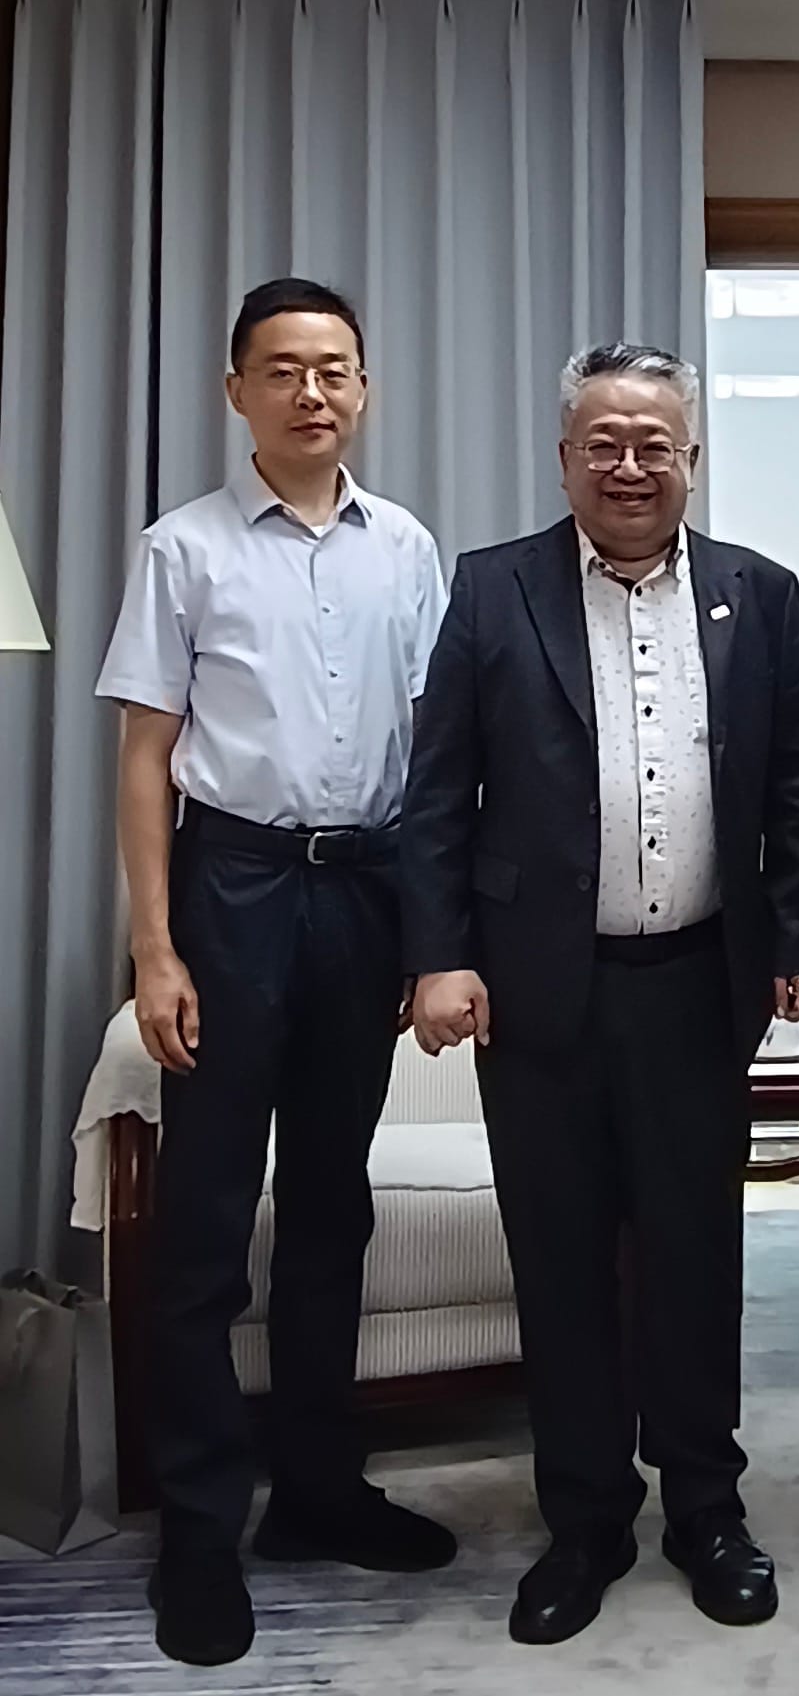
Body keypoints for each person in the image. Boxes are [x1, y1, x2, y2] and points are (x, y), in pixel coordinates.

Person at [401, 342, 799, 1645]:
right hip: (538, 994)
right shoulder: (492, 590)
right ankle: (584, 1518)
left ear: (690, 457)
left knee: (699, 1258)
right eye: (606, 442)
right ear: (566, 457)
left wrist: (797, 940)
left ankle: (706, 1507)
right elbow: (435, 796)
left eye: (657, 443)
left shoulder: (759, 594)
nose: (632, 465)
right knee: (564, 1262)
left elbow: (794, 785)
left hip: (698, 980)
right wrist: (440, 953)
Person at [95, 278, 454, 1668]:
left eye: (337, 370)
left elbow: (437, 760)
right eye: (284, 369)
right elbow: (144, 755)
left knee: (328, 1208)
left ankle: (315, 1491)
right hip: (231, 884)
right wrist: (156, 946)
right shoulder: (182, 549)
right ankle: (200, 1526)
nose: (314, 392)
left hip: (363, 887)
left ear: (364, 390)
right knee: (201, 1231)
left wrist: (432, 940)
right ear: (236, 390)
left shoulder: (407, 548)